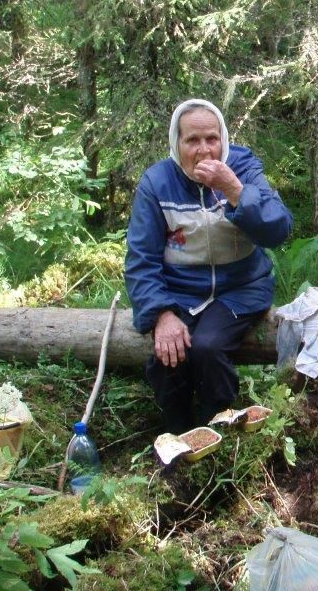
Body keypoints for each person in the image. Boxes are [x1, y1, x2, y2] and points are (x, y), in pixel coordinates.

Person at [125, 99, 293, 434]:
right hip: (180, 291)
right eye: (192, 141)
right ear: (177, 143)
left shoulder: (243, 168)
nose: (204, 151)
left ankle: (220, 435)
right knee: (168, 356)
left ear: (224, 139)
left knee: (207, 346)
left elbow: (279, 229)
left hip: (241, 289)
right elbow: (141, 259)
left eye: (212, 139)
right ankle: (176, 442)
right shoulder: (157, 183)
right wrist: (160, 313)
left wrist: (234, 190)